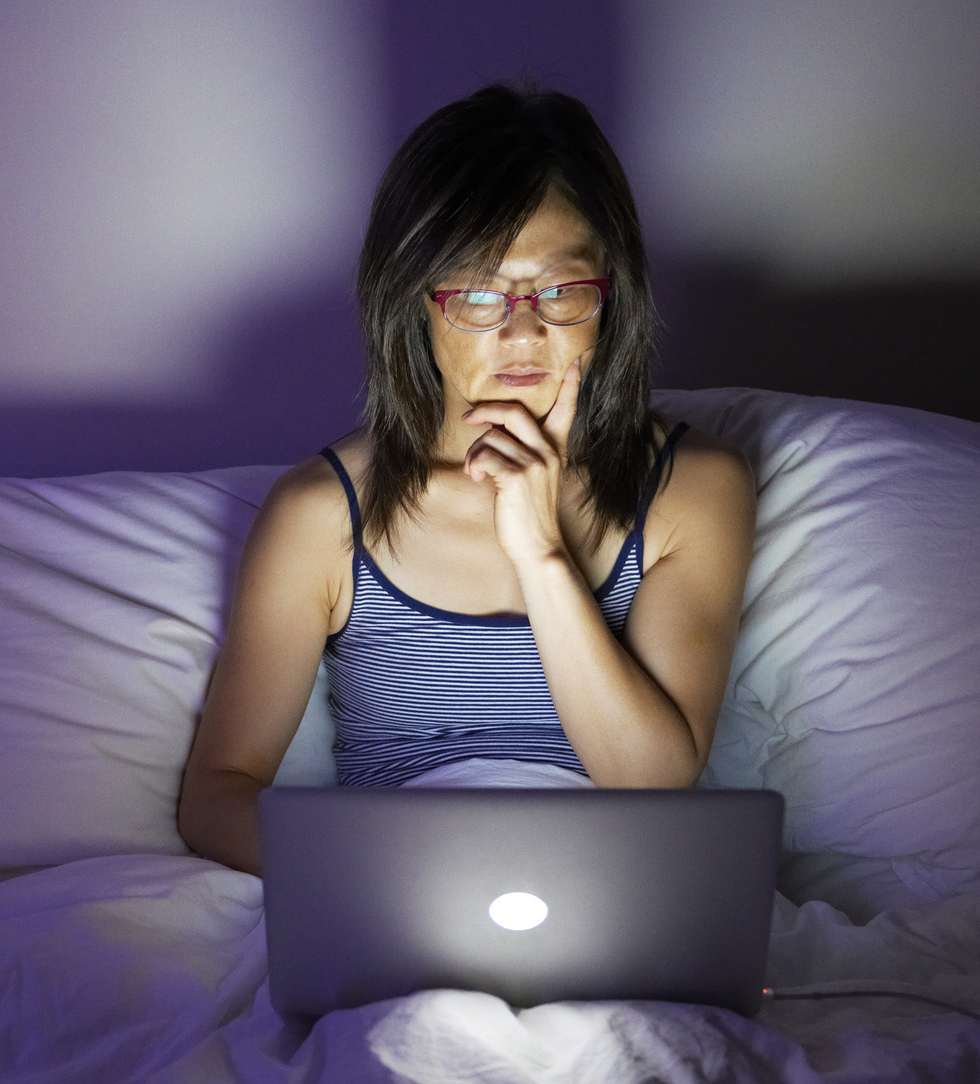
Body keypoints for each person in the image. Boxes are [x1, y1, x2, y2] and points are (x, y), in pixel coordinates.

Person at [177, 84, 756, 876]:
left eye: (560, 289)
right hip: (394, 888)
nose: (522, 329)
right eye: (478, 293)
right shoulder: (321, 513)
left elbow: (651, 780)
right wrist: (379, 869)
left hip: (605, 889)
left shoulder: (694, 488)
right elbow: (218, 793)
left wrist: (541, 554)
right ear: (413, 301)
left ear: (610, 298)